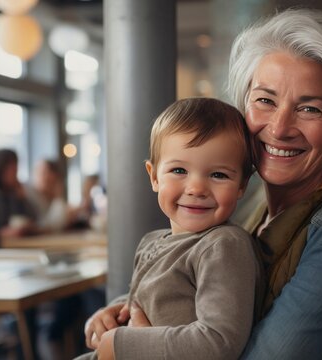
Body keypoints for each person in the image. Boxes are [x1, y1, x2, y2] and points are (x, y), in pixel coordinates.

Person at [126, 8, 322, 359]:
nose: (279, 128)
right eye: (265, 100)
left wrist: (136, 344)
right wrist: (126, 310)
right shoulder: (257, 214)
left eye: (309, 109)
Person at [80, 97, 262, 360]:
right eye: (179, 170)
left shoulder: (222, 246)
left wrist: (122, 345)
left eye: (218, 175)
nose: (197, 188)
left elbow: (219, 341)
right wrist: (113, 312)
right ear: (154, 176)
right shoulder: (152, 242)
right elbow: (150, 299)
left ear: (242, 185)